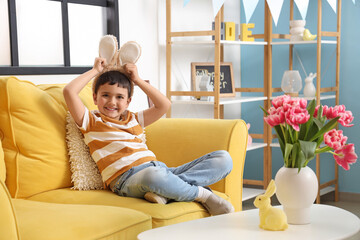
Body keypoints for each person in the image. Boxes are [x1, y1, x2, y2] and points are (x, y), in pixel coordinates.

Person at [63, 57, 234, 215]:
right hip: (126, 179)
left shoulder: (133, 119)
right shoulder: (91, 121)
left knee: (223, 158)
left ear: (128, 101)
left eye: (119, 97)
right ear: (95, 97)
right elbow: (69, 91)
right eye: (105, 95)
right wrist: (95, 71)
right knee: (154, 176)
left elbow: (164, 105)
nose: (112, 102)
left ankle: (167, 191)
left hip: (160, 169)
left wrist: (137, 80)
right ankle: (203, 195)